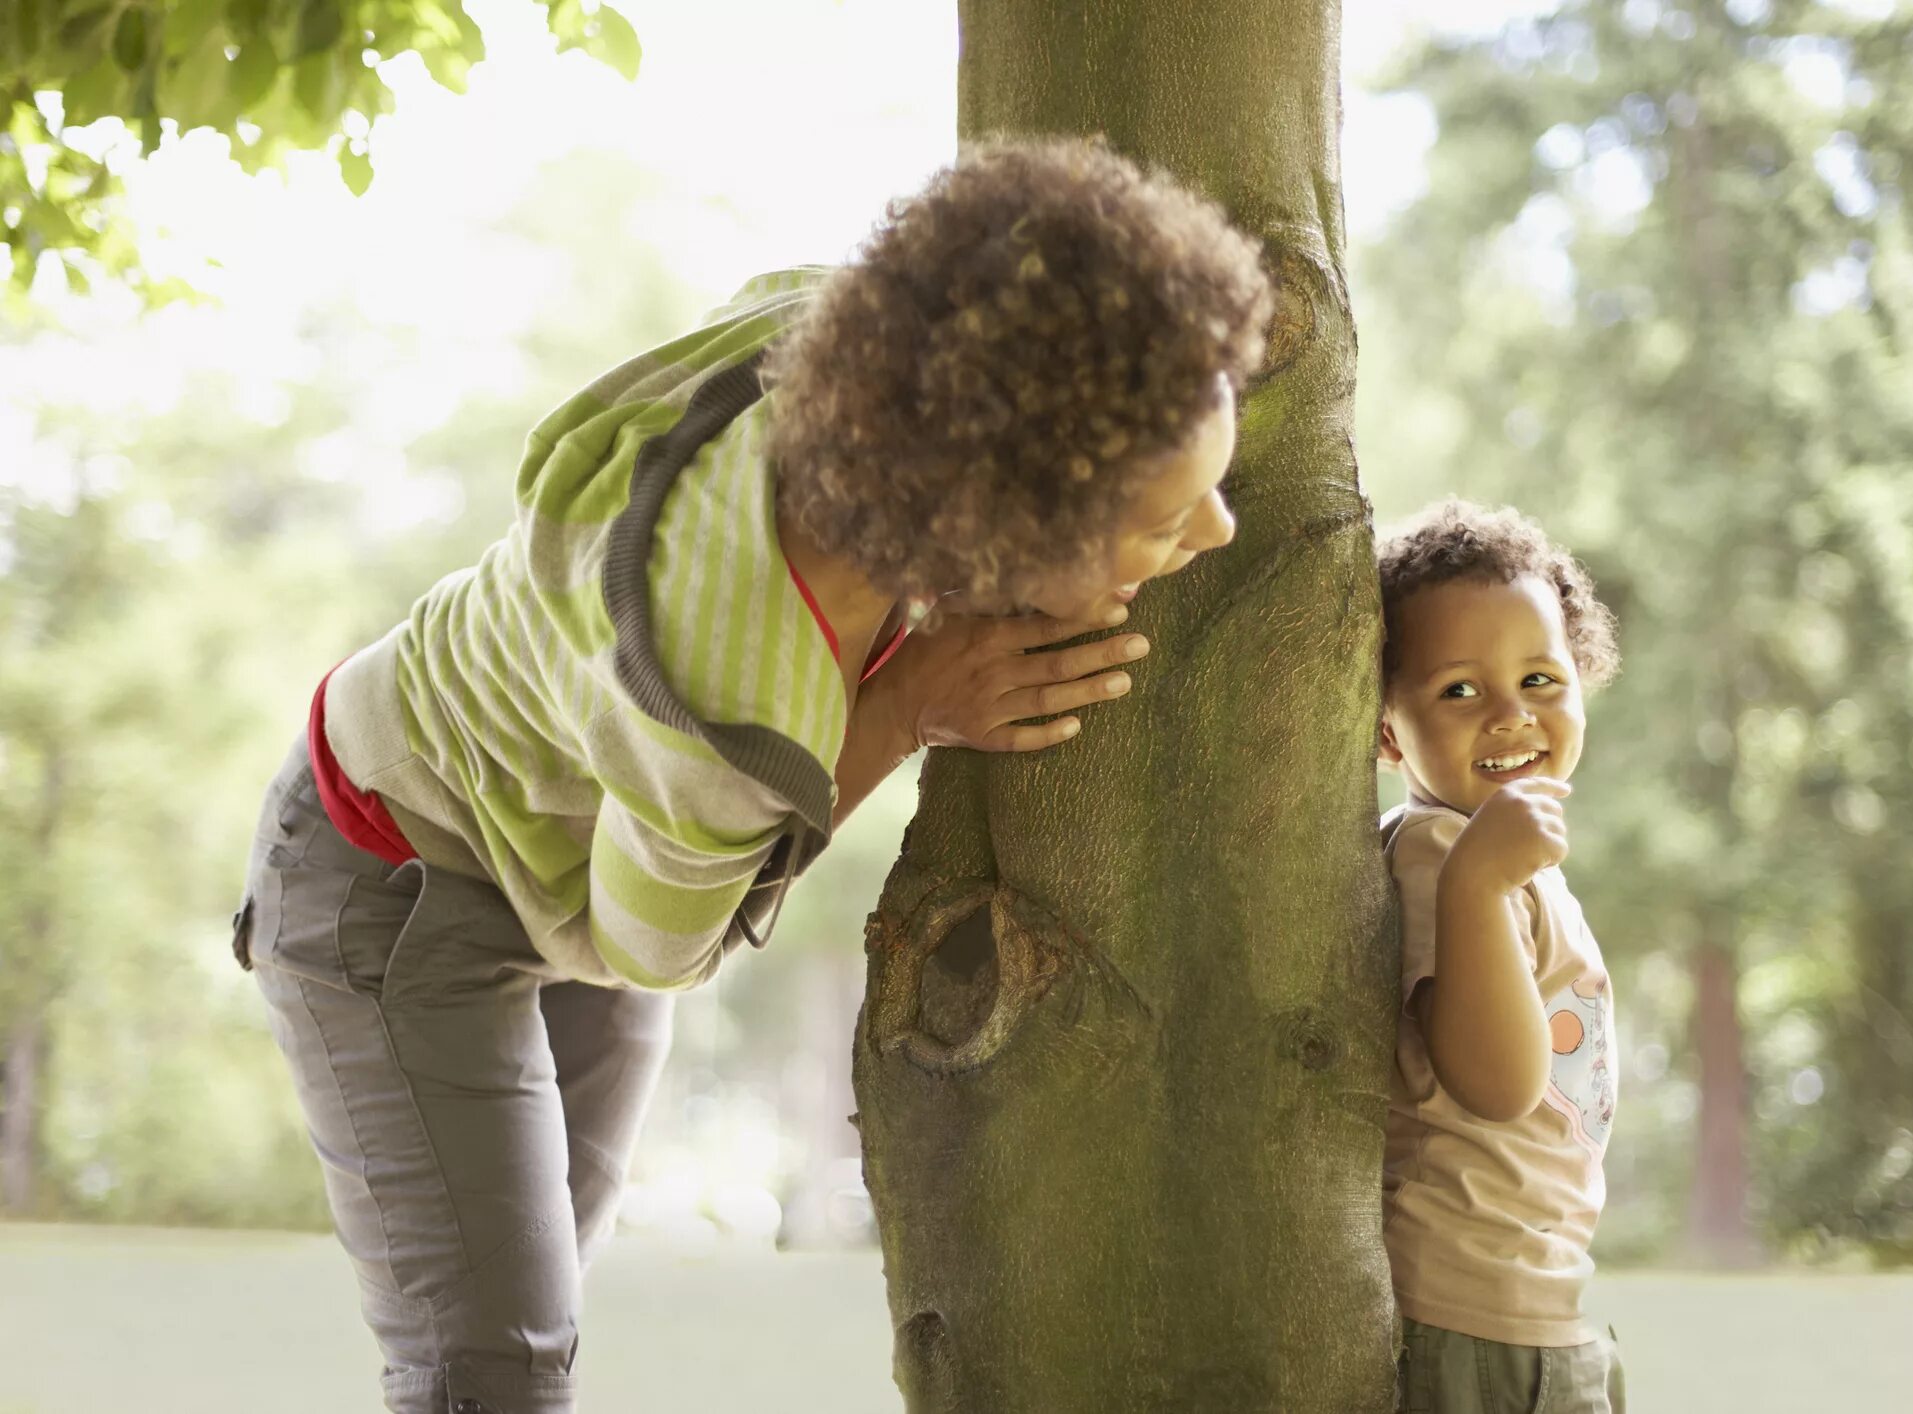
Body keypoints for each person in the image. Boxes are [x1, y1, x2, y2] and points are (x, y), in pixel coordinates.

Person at [230, 139, 1272, 1414]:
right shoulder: (724, 699)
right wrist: (902, 708)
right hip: (393, 879)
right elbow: (648, 946)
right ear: (999, 523)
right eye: (1163, 520)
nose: (1214, 531)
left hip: (578, 829)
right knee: (488, 1374)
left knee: (526, 1315)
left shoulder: (851, 357)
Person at [1373, 500, 1627, 1414]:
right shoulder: (1444, 856)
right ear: (1388, 731)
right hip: (1471, 1312)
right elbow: (1495, 1084)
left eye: (1540, 678)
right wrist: (1479, 887)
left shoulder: (1496, 855)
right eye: (1459, 691)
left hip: (1533, 1304)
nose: (1512, 716)